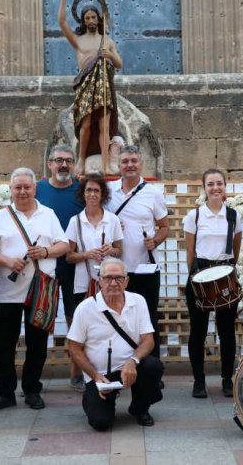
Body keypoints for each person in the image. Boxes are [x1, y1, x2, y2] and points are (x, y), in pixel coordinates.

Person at [0, 168, 70, 413]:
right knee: (3, 344)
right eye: (17, 187)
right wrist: (8, 261)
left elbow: (64, 245)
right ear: (11, 190)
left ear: (35, 188)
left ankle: (32, 390)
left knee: (37, 344)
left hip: (40, 289)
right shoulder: (1, 217)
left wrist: (45, 251)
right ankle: (5, 392)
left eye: (27, 187)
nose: (22, 192)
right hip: (7, 291)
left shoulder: (48, 214)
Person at [68, 258, 164, 430]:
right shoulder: (85, 308)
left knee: (153, 366)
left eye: (119, 278)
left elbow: (148, 340)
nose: (113, 283)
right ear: (99, 281)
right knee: (101, 423)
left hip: (130, 368)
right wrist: (95, 376)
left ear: (127, 281)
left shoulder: (138, 301)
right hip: (100, 374)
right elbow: (74, 348)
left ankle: (139, 409)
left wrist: (133, 361)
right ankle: (94, 398)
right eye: (107, 278)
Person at [183, 169, 242, 399]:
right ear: (204, 188)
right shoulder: (195, 216)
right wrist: (194, 277)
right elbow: (190, 250)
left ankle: (227, 379)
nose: (215, 188)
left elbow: (236, 247)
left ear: (225, 186)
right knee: (198, 331)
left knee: (227, 331)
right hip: (200, 274)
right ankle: (199, 381)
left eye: (219, 183)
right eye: (211, 184)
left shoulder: (233, 215)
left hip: (225, 273)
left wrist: (227, 269)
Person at [107, 146, 170, 361]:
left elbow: (164, 227)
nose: (130, 165)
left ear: (141, 164)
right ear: (119, 165)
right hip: (116, 270)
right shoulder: (108, 191)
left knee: (148, 319)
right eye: (125, 161)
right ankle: (120, 364)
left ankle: (152, 367)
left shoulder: (153, 193)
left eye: (134, 161)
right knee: (116, 318)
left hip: (146, 268)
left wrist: (155, 241)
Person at [59, 0, 124, 174]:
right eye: (87, 18)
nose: (90, 20)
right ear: (83, 21)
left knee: (104, 125)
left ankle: (106, 162)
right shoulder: (78, 40)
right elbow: (62, 23)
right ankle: (81, 159)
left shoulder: (107, 41)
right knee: (85, 124)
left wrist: (109, 55)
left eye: (93, 17)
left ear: (98, 18)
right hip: (86, 85)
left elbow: (119, 64)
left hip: (103, 86)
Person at [36, 144, 85, 390]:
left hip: (74, 266)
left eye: (68, 160)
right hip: (44, 266)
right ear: (50, 164)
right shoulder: (38, 189)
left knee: (76, 319)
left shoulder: (82, 189)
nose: (63, 165)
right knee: (41, 320)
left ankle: (77, 372)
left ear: (74, 164)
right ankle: (33, 380)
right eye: (58, 160)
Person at [65, 172, 124, 335]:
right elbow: (69, 256)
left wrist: (111, 250)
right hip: (83, 285)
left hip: (110, 284)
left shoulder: (113, 220)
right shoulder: (75, 221)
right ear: (83, 193)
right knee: (87, 328)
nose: (92, 194)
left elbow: (120, 251)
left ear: (102, 194)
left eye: (96, 190)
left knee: (109, 327)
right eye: (88, 190)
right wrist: (87, 254)